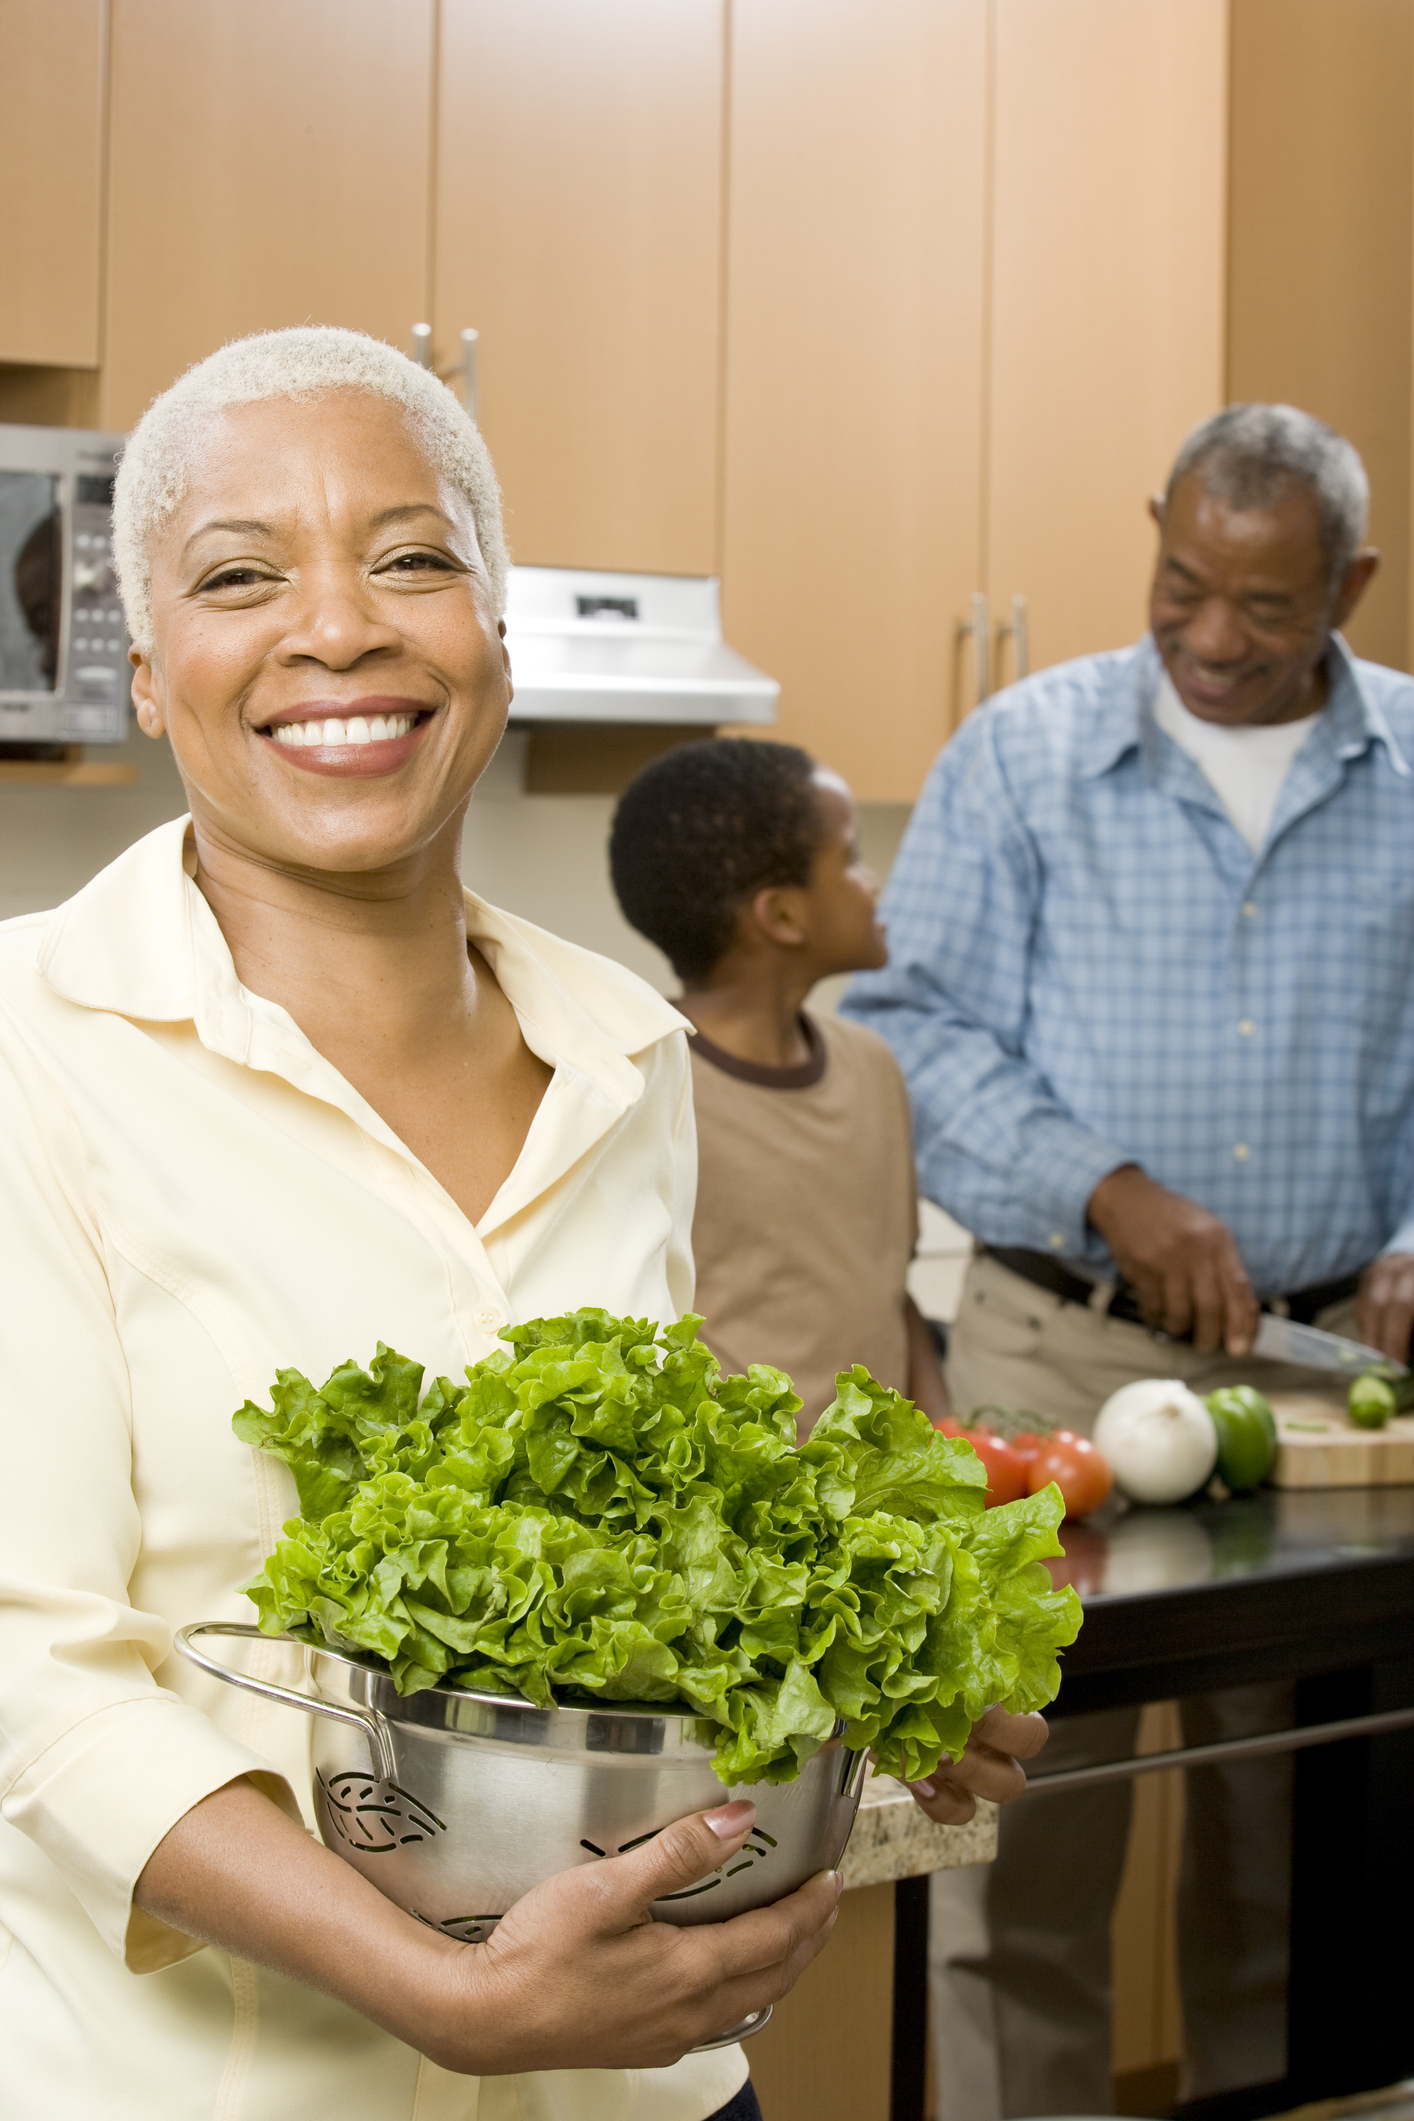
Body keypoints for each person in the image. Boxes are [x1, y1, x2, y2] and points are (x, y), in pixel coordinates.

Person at [0, 325, 1040, 2121]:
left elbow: (622, 1590)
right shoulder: (32, 1047)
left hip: (652, 2091)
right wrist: (441, 1998)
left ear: (494, 631)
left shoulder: (625, 1058)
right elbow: (33, 1676)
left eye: (411, 558)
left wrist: (859, 1685)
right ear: (154, 674)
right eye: (241, 577)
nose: (337, 626)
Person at [845, 403, 1414, 2117]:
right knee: (1016, 1832)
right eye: (1180, 585)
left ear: (1350, 586)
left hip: (1328, 1401)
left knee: (1301, 1850)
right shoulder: (1019, 750)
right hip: (1053, 1365)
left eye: (1262, 604)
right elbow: (909, 1029)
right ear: (1152, 537)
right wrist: (1102, 1186)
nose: (1212, 638)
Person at [608, 736, 949, 1432]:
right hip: (743, 1521)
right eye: (850, 857)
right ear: (783, 915)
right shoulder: (638, 1087)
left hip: (888, 1507)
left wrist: (947, 1432)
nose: (871, 879)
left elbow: (891, 1292)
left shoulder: (871, 1064)